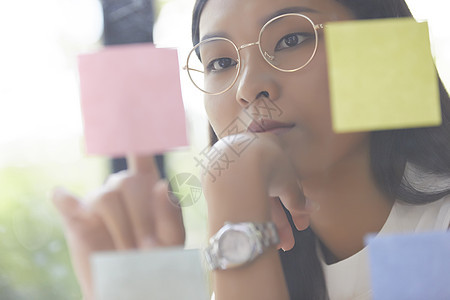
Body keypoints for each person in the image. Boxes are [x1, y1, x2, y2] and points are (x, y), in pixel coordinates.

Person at [53, 0, 450, 299]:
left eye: (291, 39)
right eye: (221, 61)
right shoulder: (259, 265)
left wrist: (235, 191)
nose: (247, 88)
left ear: (385, 47)